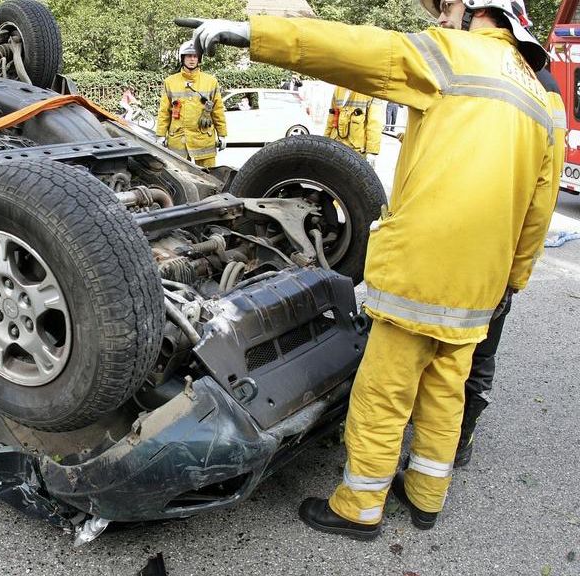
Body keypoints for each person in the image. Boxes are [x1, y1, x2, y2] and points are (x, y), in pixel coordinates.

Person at [183, 0, 560, 540]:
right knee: (445, 390)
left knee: (384, 392)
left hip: (424, 268)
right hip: (482, 280)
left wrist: (250, 33)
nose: (442, 17)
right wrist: (513, 280)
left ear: (477, 10)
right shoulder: (541, 100)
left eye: (449, 7)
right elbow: (538, 213)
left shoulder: (454, 55)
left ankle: (359, 506)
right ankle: (427, 495)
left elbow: (356, 50)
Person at [456, 62, 566, 468]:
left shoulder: (527, 81)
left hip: (485, 242)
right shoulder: (539, 80)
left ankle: (458, 434)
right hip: (492, 241)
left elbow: (541, 199)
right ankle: (453, 433)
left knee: (475, 347)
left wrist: (516, 275)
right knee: (478, 346)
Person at [155, 40, 227, 167]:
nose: (192, 59)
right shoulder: (170, 82)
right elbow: (164, 112)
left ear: (199, 58)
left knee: (209, 178)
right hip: (178, 140)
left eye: (195, 56)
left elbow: (218, 110)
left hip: (203, 140)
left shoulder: (210, 81)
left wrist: (222, 134)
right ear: (182, 58)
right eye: (189, 56)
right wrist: (160, 135)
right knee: (180, 178)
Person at [325, 86, 384, 161]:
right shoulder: (338, 89)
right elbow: (331, 117)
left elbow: (375, 124)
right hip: (336, 145)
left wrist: (372, 152)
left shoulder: (371, 92)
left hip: (356, 151)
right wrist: (325, 140)